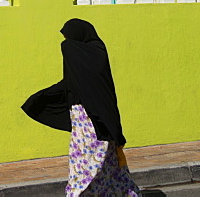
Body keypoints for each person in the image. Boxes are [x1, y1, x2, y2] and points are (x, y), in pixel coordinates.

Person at [22, 19, 139, 196]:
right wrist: (43, 97)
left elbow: (79, 83)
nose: (66, 41)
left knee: (87, 160)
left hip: (88, 117)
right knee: (101, 159)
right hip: (96, 116)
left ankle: (77, 193)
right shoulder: (98, 50)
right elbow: (72, 83)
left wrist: (41, 98)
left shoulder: (76, 50)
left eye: (69, 37)